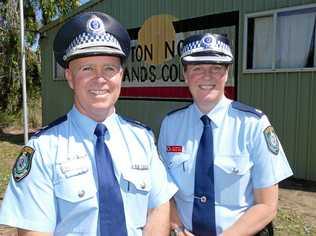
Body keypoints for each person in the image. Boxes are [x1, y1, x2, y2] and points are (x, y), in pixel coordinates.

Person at [0, 11, 177, 235]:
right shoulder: (43, 148)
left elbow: (159, 208)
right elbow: (33, 230)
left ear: (121, 75)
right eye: (87, 68)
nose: (100, 78)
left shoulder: (142, 139)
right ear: (70, 77)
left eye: (109, 68)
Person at [158, 33, 293, 236]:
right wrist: (177, 229)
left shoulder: (253, 124)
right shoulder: (171, 125)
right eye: (197, 69)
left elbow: (267, 206)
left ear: (227, 73)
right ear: (185, 75)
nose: (207, 76)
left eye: (216, 68)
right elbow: (164, 192)